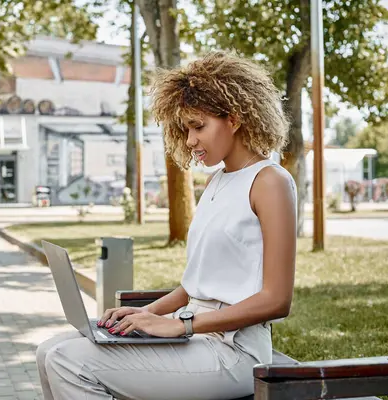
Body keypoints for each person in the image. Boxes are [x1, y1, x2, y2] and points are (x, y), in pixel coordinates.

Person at [36, 51, 298, 400]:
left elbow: (277, 300)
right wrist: (143, 314)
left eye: (198, 126)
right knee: (48, 351)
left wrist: (180, 325)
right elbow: (194, 288)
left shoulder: (270, 181)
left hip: (234, 351)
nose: (190, 141)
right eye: (185, 129)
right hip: (195, 336)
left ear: (234, 119)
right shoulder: (218, 182)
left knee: (69, 362)